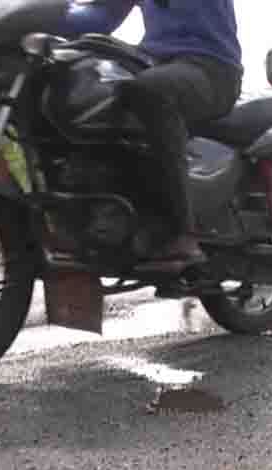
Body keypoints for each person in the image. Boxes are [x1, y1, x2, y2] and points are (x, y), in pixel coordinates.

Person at [60, 0, 243, 273]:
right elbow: (100, 17)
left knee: (149, 90)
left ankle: (182, 231)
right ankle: (97, 219)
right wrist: (49, 16)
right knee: (91, 91)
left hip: (212, 68)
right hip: (154, 64)